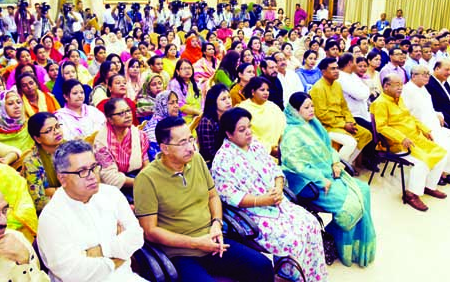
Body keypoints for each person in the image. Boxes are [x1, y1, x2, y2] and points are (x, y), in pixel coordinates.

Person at [134, 116, 274, 282]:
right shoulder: (147, 179)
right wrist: (196, 243)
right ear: (165, 148)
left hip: (212, 241)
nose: (190, 147)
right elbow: (150, 232)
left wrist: (216, 223)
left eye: (190, 139)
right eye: (182, 143)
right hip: (181, 253)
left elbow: (213, 195)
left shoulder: (197, 160)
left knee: (262, 265)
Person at [212, 108, 328, 280]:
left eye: (249, 127)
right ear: (229, 134)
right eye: (242, 130)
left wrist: (279, 188)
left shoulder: (256, 146)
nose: (249, 132)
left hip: (276, 202)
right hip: (251, 214)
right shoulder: (222, 161)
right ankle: (290, 277)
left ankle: (313, 277)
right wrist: (263, 200)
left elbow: (276, 171)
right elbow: (232, 197)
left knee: (310, 224)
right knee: (291, 238)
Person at [280, 92, 376, 267]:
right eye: (306, 107)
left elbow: (328, 149)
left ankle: (345, 240)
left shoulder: (314, 125)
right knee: (351, 205)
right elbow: (296, 166)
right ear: (294, 111)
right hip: (308, 183)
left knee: (364, 190)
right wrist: (320, 179)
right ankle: (341, 245)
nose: (311, 110)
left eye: (312, 106)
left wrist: (335, 163)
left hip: (328, 173)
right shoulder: (292, 134)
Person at [37, 140, 146, 281]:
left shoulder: (111, 194)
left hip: (125, 276)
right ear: (62, 179)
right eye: (82, 171)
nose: (92, 176)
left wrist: (101, 250)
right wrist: (117, 258)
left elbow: (136, 237)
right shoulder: (52, 217)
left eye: (94, 167)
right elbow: (72, 272)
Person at [370, 75, 448, 212]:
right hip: (397, 143)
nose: (400, 87)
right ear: (386, 86)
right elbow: (381, 127)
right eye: (396, 84)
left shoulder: (399, 99)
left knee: (441, 154)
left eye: (401, 84)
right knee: (422, 162)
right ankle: (411, 194)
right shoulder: (380, 102)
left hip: (414, 138)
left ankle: (429, 186)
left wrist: (424, 129)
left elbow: (409, 117)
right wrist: (401, 138)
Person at [402, 65, 450, 180]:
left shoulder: (423, 88)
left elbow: (430, 108)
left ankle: (444, 172)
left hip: (433, 124)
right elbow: (406, 115)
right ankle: (436, 177)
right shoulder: (407, 90)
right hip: (421, 129)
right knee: (446, 146)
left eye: (428, 73)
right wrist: (423, 129)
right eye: (424, 74)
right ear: (413, 76)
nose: (427, 76)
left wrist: (439, 114)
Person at [309, 58, 372, 165]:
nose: (336, 71)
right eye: (332, 69)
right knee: (350, 142)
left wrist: (350, 122)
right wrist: (344, 125)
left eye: (337, 68)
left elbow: (344, 107)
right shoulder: (318, 88)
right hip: (326, 126)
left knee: (366, 135)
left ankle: (346, 164)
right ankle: (335, 167)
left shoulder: (337, 85)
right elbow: (322, 115)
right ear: (323, 72)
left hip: (341, 123)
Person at [93, 98, 149, 201]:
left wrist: (144, 180)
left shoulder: (137, 134)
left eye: (128, 111)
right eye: (121, 113)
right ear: (110, 119)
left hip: (139, 177)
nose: (128, 115)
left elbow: (146, 163)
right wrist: (139, 183)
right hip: (117, 188)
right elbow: (111, 178)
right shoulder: (102, 142)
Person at [22, 112, 65, 213]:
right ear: (37, 138)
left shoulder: (72, 149)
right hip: (52, 212)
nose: (56, 132)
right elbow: (38, 201)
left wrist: (53, 191)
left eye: (57, 126)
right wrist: (66, 193)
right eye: (49, 130)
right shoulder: (32, 162)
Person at [237, 77, 286, 156]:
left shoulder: (273, 107)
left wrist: (281, 147)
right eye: (262, 90)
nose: (266, 93)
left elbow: (284, 128)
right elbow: (245, 136)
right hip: (255, 154)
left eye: (267, 90)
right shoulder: (243, 109)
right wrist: (269, 149)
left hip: (280, 151)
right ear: (253, 92)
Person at [196, 84, 231, 167]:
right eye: (223, 99)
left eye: (229, 97)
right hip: (213, 162)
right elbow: (209, 152)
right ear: (214, 102)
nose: (228, 101)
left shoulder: (229, 117)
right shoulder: (207, 122)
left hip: (228, 156)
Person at [142, 90, 181, 161]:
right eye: (172, 103)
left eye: (176, 102)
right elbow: (158, 158)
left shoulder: (173, 122)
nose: (176, 106)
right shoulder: (153, 129)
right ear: (162, 105)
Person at [169, 59, 202, 124]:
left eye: (189, 68)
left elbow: (202, 102)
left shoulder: (194, 83)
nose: (187, 70)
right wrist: (198, 113)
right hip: (181, 118)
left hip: (197, 116)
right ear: (177, 71)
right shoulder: (174, 83)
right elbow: (179, 105)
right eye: (184, 68)